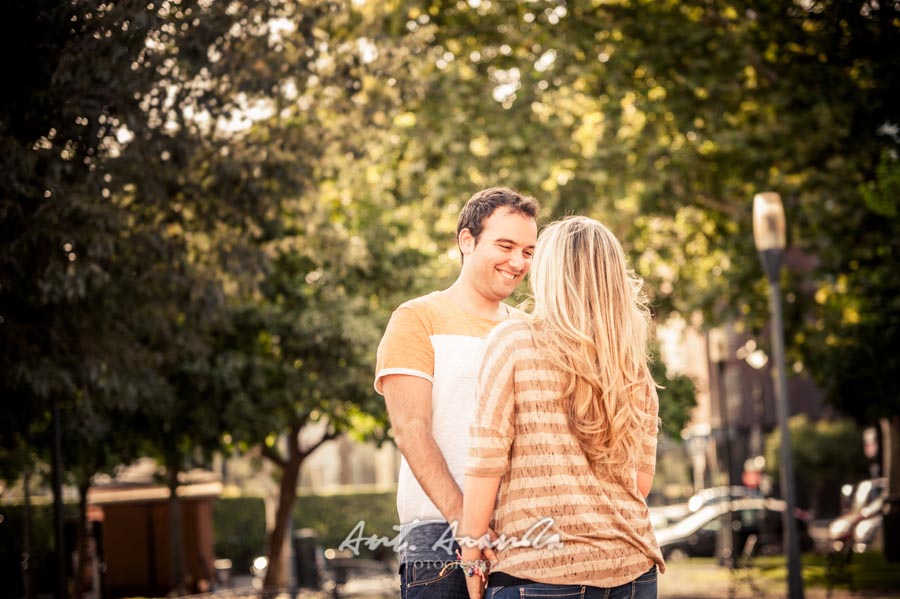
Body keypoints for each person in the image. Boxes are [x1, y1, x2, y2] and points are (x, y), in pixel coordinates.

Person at [459, 216, 666, 599]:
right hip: (634, 571)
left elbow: (484, 463)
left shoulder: (513, 341)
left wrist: (472, 558)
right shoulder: (631, 364)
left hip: (540, 573)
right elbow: (640, 483)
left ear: (551, 274)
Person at [374, 187, 540, 599]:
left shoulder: (531, 330)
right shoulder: (418, 318)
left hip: (523, 535)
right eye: (505, 245)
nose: (518, 262)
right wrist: (465, 522)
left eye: (528, 251)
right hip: (439, 535)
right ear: (466, 241)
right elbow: (411, 428)